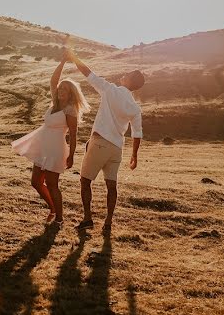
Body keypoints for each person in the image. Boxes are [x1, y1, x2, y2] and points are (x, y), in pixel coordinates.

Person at [65, 48, 145, 233]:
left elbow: (88, 73)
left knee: (85, 182)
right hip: (117, 149)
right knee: (111, 185)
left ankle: (87, 219)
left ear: (130, 80)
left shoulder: (110, 90)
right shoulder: (134, 107)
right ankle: (108, 223)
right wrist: (134, 156)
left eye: (127, 74)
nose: (123, 75)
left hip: (100, 143)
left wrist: (74, 57)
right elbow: (137, 133)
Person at [12, 51, 90, 225]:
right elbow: (53, 81)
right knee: (35, 182)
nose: (61, 90)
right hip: (42, 146)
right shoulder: (54, 103)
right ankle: (53, 208)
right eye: (61, 88)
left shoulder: (70, 110)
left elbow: (74, 133)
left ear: (71, 94)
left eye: (65, 89)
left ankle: (59, 219)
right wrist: (62, 61)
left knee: (52, 184)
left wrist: (71, 155)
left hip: (55, 148)